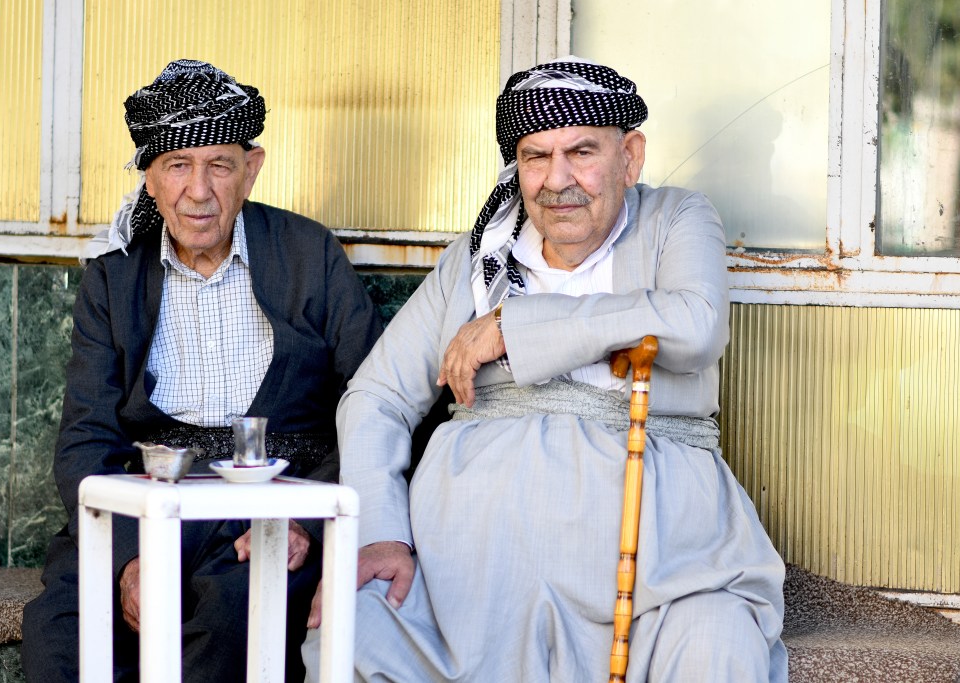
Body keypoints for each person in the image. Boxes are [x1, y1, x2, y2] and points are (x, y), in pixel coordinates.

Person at [303, 57, 788, 681]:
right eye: (536, 157)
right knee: (353, 633)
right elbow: (375, 397)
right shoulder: (479, 257)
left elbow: (693, 326)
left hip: (659, 573)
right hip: (468, 589)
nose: (558, 180)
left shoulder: (675, 219)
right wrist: (381, 532)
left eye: (582, 152)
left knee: (717, 645)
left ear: (630, 157)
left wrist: (514, 327)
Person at [21, 59, 382, 683]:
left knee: (236, 619)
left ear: (252, 168)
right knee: (64, 634)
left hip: (270, 508)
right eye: (177, 166)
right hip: (148, 500)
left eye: (219, 164)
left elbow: (373, 404)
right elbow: (85, 439)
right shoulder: (114, 278)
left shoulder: (308, 254)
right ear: (150, 179)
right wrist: (128, 559)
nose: (199, 190)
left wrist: (308, 526)